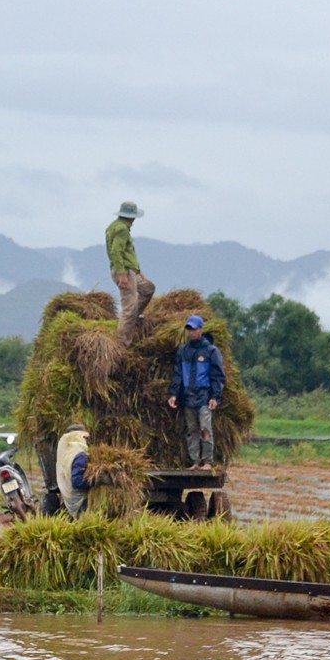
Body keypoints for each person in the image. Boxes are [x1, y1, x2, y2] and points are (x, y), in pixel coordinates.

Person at [168, 315, 227, 470]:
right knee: (192, 430)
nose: (191, 332)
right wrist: (174, 394)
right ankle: (195, 461)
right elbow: (178, 374)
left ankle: (208, 461)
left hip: (204, 398)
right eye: (189, 329)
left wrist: (215, 396)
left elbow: (217, 375)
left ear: (201, 329)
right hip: (188, 398)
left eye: (194, 329)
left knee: (205, 428)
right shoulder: (183, 351)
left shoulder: (211, 351)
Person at [105, 200, 156, 341]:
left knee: (148, 288)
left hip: (130, 270)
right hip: (124, 271)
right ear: (131, 216)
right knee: (129, 307)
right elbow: (116, 252)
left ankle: (135, 316)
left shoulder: (115, 226)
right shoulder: (121, 229)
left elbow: (128, 253)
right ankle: (123, 342)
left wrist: (137, 271)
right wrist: (122, 274)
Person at [55, 424, 92, 517]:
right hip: (81, 501)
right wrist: (95, 480)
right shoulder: (80, 455)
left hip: (70, 498)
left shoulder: (67, 455)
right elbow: (77, 481)